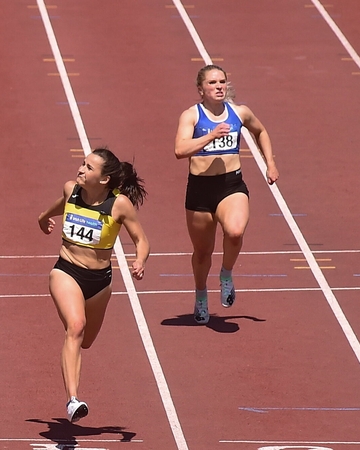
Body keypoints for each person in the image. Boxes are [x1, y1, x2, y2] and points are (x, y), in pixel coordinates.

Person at [37, 147, 149, 423]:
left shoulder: (119, 204)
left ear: (104, 179)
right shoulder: (71, 190)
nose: (80, 170)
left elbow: (141, 240)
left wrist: (140, 260)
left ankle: (73, 382)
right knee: (75, 327)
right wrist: (43, 218)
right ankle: (73, 400)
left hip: (100, 282)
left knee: (85, 341)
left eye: (88, 167)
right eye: (82, 164)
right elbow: (58, 206)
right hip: (66, 271)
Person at [174, 65, 278, 324]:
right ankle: (200, 295)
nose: (219, 86)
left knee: (234, 232)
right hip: (199, 190)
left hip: (231, 185)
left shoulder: (239, 112)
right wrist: (209, 136)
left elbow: (260, 131)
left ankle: (226, 274)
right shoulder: (192, 116)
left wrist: (270, 163)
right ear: (201, 89)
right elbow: (180, 149)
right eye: (212, 82)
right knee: (202, 252)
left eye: (222, 81)